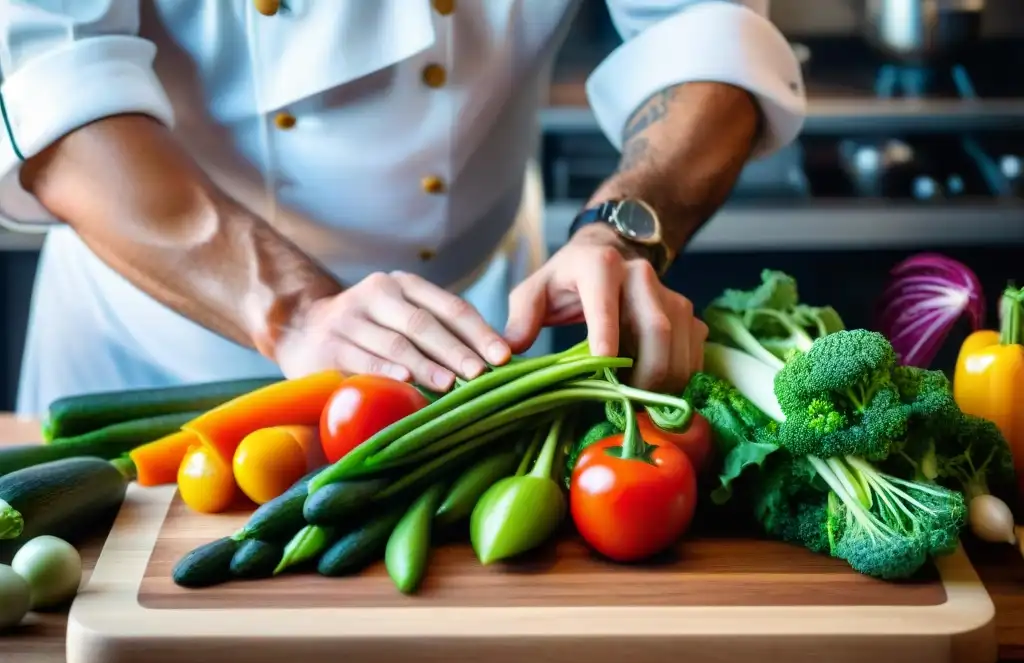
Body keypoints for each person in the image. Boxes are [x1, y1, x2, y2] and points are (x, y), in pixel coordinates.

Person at [0, 0, 805, 416]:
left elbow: (704, 31)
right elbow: (57, 91)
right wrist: (298, 312)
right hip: (159, 344)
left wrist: (621, 234)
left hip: (482, 330)